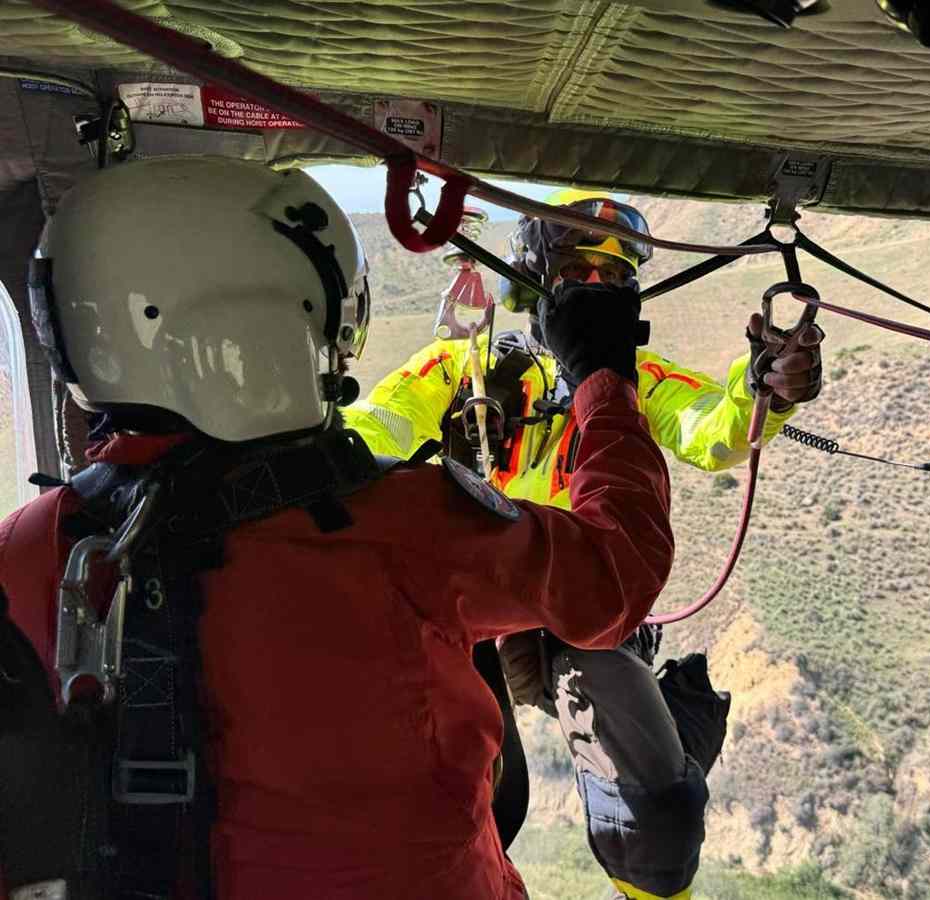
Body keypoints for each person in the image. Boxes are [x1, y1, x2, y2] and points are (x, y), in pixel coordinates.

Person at [0, 158, 674, 900]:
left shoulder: (27, 549)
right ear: (282, 318)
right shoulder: (404, 522)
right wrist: (604, 382)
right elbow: (618, 576)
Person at [343, 189, 825, 899]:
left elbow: (714, 430)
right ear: (532, 280)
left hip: (580, 608)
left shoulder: (634, 382)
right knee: (477, 805)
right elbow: (378, 424)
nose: (597, 286)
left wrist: (765, 391)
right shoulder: (459, 368)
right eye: (576, 268)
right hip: (472, 608)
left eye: (615, 273)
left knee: (658, 820)